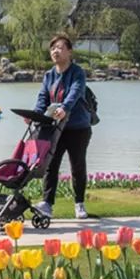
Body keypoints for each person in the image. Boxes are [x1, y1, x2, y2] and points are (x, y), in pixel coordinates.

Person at [34, 34, 92, 220]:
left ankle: (79, 204)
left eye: (59, 47)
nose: (55, 51)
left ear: (69, 51)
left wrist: (65, 108)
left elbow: (74, 94)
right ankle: (47, 204)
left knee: (77, 166)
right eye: (52, 48)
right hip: (55, 128)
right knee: (51, 165)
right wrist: (34, 115)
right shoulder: (49, 75)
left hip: (77, 128)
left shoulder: (77, 73)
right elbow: (43, 98)